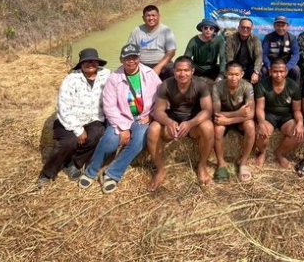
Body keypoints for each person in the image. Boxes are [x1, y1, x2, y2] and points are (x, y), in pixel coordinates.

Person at [78, 44, 161, 194]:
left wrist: (151, 115)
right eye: (127, 58)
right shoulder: (114, 78)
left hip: (142, 118)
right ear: (121, 60)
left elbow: (161, 98)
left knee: (141, 137)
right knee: (110, 141)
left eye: (134, 57)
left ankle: (113, 173)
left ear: (139, 58)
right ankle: (91, 170)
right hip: (120, 117)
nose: (131, 61)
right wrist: (123, 128)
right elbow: (109, 106)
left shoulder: (150, 74)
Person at [38, 48, 110, 187]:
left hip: (94, 119)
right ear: (81, 64)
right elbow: (62, 107)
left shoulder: (106, 75)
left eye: (93, 61)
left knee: (98, 133)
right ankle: (47, 173)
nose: (90, 63)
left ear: (98, 62)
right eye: (86, 61)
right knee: (69, 142)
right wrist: (78, 129)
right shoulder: (71, 79)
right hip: (69, 121)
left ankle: (73, 163)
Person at [147, 56, 214, 190]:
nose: (182, 74)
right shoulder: (166, 84)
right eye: (178, 70)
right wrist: (169, 121)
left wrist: (191, 123)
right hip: (173, 124)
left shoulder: (200, 84)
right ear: (174, 71)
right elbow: (158, 111)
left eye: (186, 70)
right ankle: (160, 169)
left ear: (192, 71)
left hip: (193, 124)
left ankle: (202, 166)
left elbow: (207, 110)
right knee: (153, 128)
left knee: (208, 127)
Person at [253, 57, 304, 170]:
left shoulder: (293, 86)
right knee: (261, 133)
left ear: (286, 72)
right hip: (269, 115)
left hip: (286, 116)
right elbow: (260, 108)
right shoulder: (262, 85)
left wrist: (300, 123)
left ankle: (279, 153)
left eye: (281, 71)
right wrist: (261, 124)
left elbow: (297, 110)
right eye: (275, 71)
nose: (278, 74)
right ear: (270, 71)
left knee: (298, 134)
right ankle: (262, 153)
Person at [212, 62, 256, 182]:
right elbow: (216, 113)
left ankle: (243, 162)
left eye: (237, 74)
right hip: (228, 117)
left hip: (238, 120)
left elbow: (251, 114)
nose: (233, 77)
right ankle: (221, 163)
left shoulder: (247, 87)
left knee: (251, 126)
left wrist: (229, 120)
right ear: (226, 74)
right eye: (230, 74)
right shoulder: (217, 87)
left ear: (242, 74)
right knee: (217, 129)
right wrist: (237, 114)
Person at [127, 4, 177, 79]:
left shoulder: (166, 31)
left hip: (163, 64)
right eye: (148, 16)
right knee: (125, 72)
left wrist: (158, 67)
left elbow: (171, 52)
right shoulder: (136, 31)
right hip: (141, 64)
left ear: (159, 16)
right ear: (143, 18)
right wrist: (138, 65)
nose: (151, 18)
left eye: (153, 15)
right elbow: (130, 51)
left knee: (173, 71)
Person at [224, 18, 263, 84]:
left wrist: (256, 72)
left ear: (251, 28)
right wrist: (235, 72)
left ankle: (256, 94)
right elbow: (229, 57)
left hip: (250, 67)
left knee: (259, 75)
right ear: (238, 27)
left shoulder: (255, 40)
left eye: (248, 28)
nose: (245, 30)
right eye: (243, 27)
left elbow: (259, 57)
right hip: (235, 66)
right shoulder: (230, 39)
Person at [262, 16, 300, 82]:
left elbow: (296, 55)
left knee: (296, 70)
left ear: (287, 27)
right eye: (278, 25)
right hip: (271, 64)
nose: (280, 28)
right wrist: (268, 66)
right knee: (263, 70)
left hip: (286, 64)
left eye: (283, 26)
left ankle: (295, 91)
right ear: (274, 26)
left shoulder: (292, 38)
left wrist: (288, 67)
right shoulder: (268, 37)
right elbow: (263, 54)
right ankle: (263, 91)